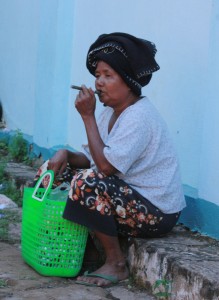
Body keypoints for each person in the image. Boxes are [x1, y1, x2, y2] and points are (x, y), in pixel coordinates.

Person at [35, 32, 186, 287]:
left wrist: (87, 117)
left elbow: (104, 167)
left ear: (128, 81)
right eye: (97, 76)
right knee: (59, 173)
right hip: (127, 199)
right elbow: (94, 158)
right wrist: (65, 155)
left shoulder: (139, 117)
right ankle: (89, 252)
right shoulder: (110, 113)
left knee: (88, 182)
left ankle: (116, 263)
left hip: (157, 211)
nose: (99, 83)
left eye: (108, 75)